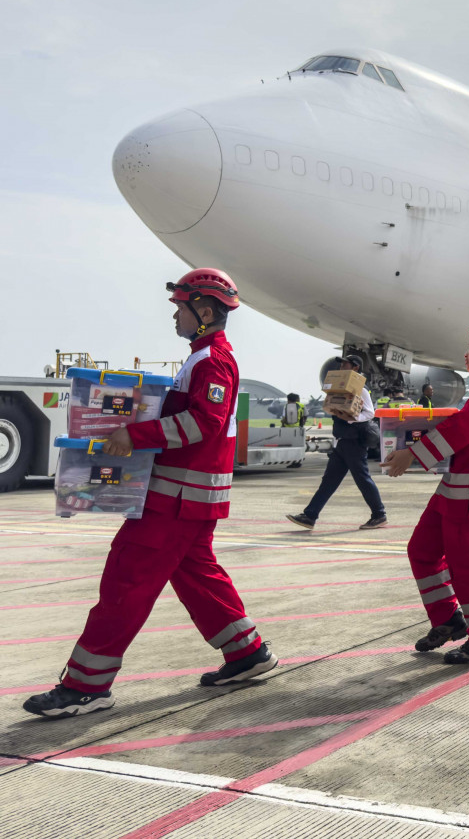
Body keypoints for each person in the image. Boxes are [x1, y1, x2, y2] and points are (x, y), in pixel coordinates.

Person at [23, 269, 276, 718]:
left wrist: (133, 434)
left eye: (179, 308)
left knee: (125, 581)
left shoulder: (212, 361)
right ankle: (247, 652)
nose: (174, 316)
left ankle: (86, 685)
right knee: (198, 577)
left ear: (202, 310)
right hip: (187, 497)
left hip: (177, 499)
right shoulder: (202, 357)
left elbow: (205, 423)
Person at [383, 320, 469, 663]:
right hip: (455, 486)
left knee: (466, 564)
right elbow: (459, 427)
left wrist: (413, 454)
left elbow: (463, 429)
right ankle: (448, 619)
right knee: (422, 550)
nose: (466, 353)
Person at [286, 355, 387, 530]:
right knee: (329, 481)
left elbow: (370, 413)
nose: (341, 367)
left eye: (345, 364)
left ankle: (379, 515)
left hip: (354, 442)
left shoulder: (360, 387)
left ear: (355, 367)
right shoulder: (341, 386)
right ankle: (310, 516)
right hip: (342, 441)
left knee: (362, 479)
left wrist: (350, 419)